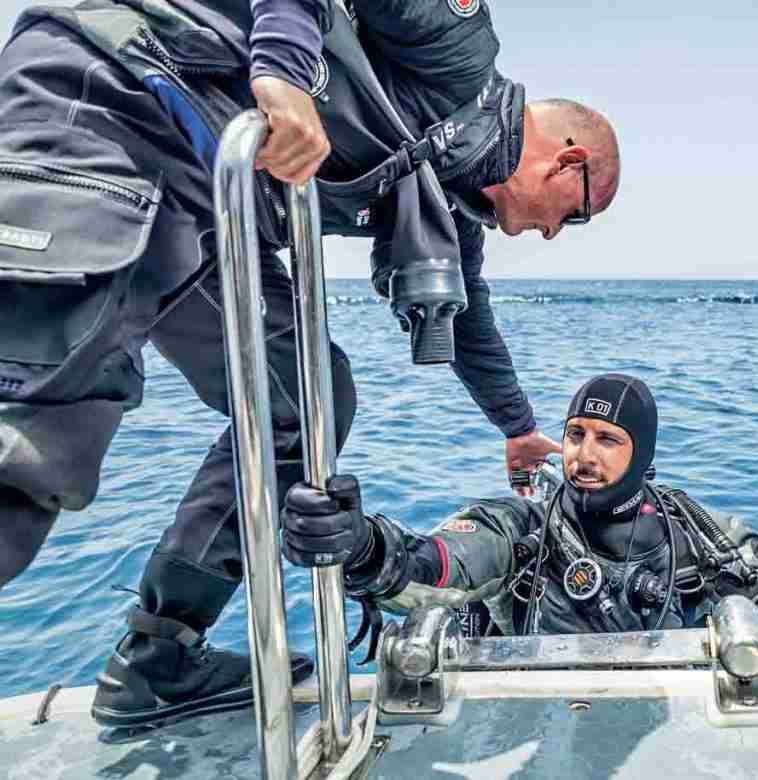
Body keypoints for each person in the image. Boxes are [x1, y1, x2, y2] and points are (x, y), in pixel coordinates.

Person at [0, 0, 619, 726]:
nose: (553, 234)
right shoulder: (460, 47)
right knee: (30, 447)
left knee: (306, 396)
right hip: (117, 103)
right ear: (567, 161)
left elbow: (469, 315)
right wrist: (283, 74)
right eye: (573, 214)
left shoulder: (446, 198)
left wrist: (515, 427)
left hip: (209, 206)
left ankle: (159, 657)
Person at [282, 374, 758, 664]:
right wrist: (363, 548)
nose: (583, 456)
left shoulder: (696, 532)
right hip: (530, 709)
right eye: (574, 435)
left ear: (641, 455)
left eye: (607, 440)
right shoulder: (522, 528)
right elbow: (441, 564)